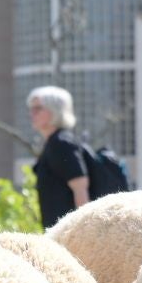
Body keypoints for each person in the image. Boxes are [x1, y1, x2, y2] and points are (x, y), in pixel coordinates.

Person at [28, 85, 89, 229]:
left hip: (68, 233)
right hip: (57, 231)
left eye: (38, 108)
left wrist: (83, 230)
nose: (32, 114)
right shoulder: (53, 142)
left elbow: (80, 187)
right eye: (32, 109)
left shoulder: (61, 143)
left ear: (54, 110)